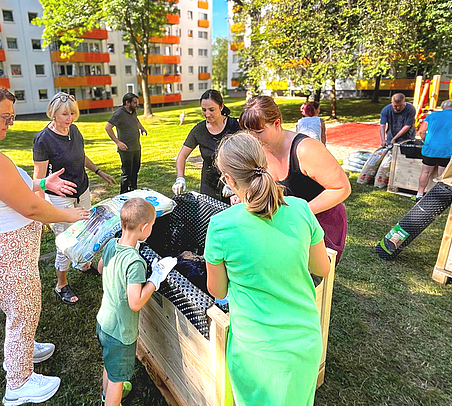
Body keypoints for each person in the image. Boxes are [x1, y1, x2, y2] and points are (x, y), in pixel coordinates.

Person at [0, 81, 89, 406]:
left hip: (2, 255)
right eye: (5, 117)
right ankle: (19, 383)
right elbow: (30, 207)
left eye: (13, 117)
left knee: (22, 311)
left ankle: (25, 346)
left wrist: (42, 181)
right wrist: (71, 217)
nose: (10, 124)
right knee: (23, 313)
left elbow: (3, 187)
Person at [204, 131, 331, 406]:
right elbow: (322, 267)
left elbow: (217, 289)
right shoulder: (300, 209)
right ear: (265, 164)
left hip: (255, 353)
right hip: (304, 344)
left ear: (228, 180)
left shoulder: (221, 226)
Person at [239, 96, 351, 263]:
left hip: (321, 224)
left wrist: (297, 212)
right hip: (289, 223)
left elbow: (342, 188)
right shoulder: (260, 149)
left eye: (259, 132)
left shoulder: (306, 149)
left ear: (277, 123)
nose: (253, 138)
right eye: (249, 132)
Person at [33, 92, 116, 305]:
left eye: (72, 113)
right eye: (64, 114)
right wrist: (42, 211)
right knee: (66, 241)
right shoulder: (44, 140)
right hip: (59, 197)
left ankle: (84, 264)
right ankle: (61, 284)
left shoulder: (75, 130)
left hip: (82, 189)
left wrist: (99, 172)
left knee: (86, 230)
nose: (69, 118)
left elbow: (80, 155)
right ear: (53, 113)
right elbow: (39, 178)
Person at [96, 198, 177, 406]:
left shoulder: (111, 245)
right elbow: (135, 302)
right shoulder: (135, 262)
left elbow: (100, 268)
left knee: (110, 363)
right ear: (144, 227)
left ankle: (107, 395)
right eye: (152, 226)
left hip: (104, 322)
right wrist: (155, 279)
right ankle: (112, 399)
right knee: (117, 379)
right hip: (121, 333)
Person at [172, 89, 240, 203]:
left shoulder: (235, 126)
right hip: (209, 184)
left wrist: (234, 182)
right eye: (204, 110)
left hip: (234, 182)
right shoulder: (199, 130)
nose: (207, 114)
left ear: (221, 107)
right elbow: (182, 157)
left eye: (211, 110)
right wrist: (180, 178)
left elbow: (247, 156)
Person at [414, 99, 452, 201]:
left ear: (443, 107)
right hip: (447, 149)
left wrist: (425, 141)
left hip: (430, 148)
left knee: (425, 172)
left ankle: (419, 194)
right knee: (442, 175)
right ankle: (438, 197)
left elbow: (421, 132)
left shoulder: (432, 116)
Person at [105, 93, 148, 194]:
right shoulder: (119, 114)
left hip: (136, 147)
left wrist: (141, 128)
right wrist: (118, 142)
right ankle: (123, 194)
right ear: (127, 103)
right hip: (126, 149)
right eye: (134, 102)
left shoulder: (132, 111)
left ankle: (133, 191)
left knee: (135, 171)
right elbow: (108, 127)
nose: (137, 105)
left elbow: (136, 120)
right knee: (127, 173)